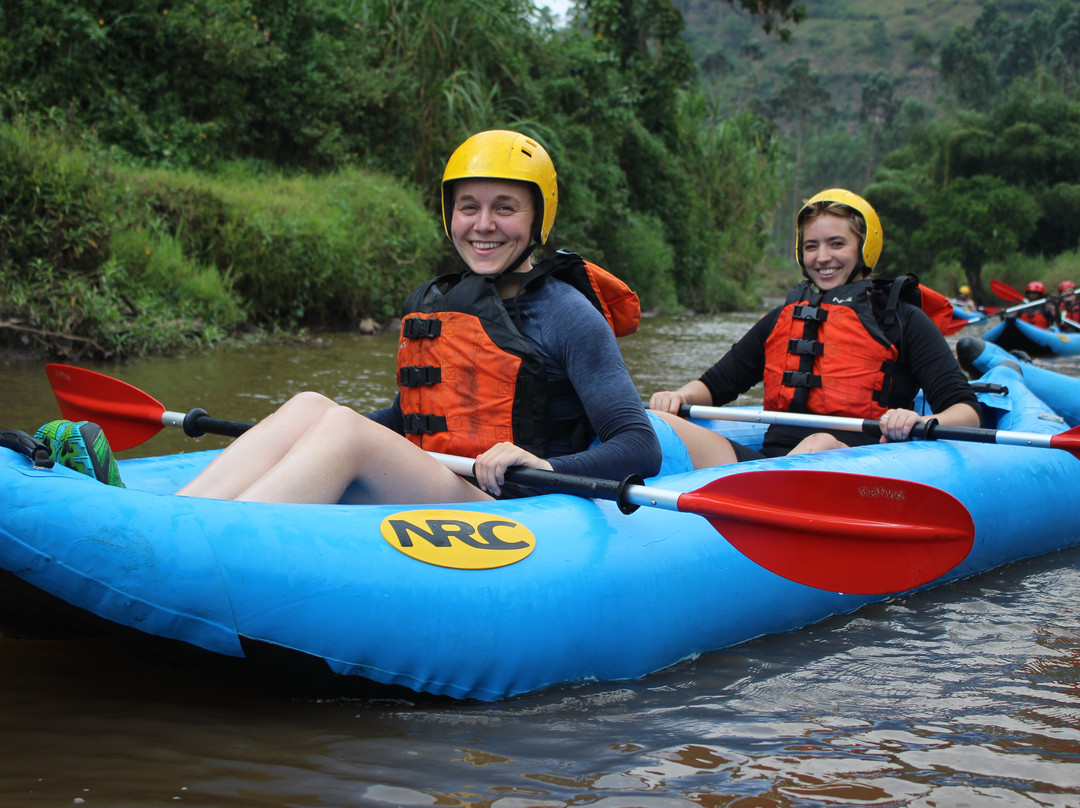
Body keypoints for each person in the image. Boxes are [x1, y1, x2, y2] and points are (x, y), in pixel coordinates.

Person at [175, 130, 661, 503]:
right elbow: (408, 416)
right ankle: (186, 511)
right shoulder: (446, 303)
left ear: (538, 218)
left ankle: (216, 540)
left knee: (344, 431)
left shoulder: (568, 313)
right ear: (451, 215)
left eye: (505, 207)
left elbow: (640, 444)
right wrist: (310, 433)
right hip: (440, 480)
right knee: (311, 406)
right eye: (469, 207)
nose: (484, 224)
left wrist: (548, 466)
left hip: (510, 506)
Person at [648, 188, 981, 467]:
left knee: (818, 442)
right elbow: (715, 385)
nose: (822, 257)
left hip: (861, 465)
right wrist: (677, 396)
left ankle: (761, 497)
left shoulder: (901, 319)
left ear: (864, 248)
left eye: (837, 244)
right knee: (655, 423)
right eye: (811, 246)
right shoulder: (784, 317)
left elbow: (967, 411)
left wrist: (920, 422)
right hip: (770, 464)